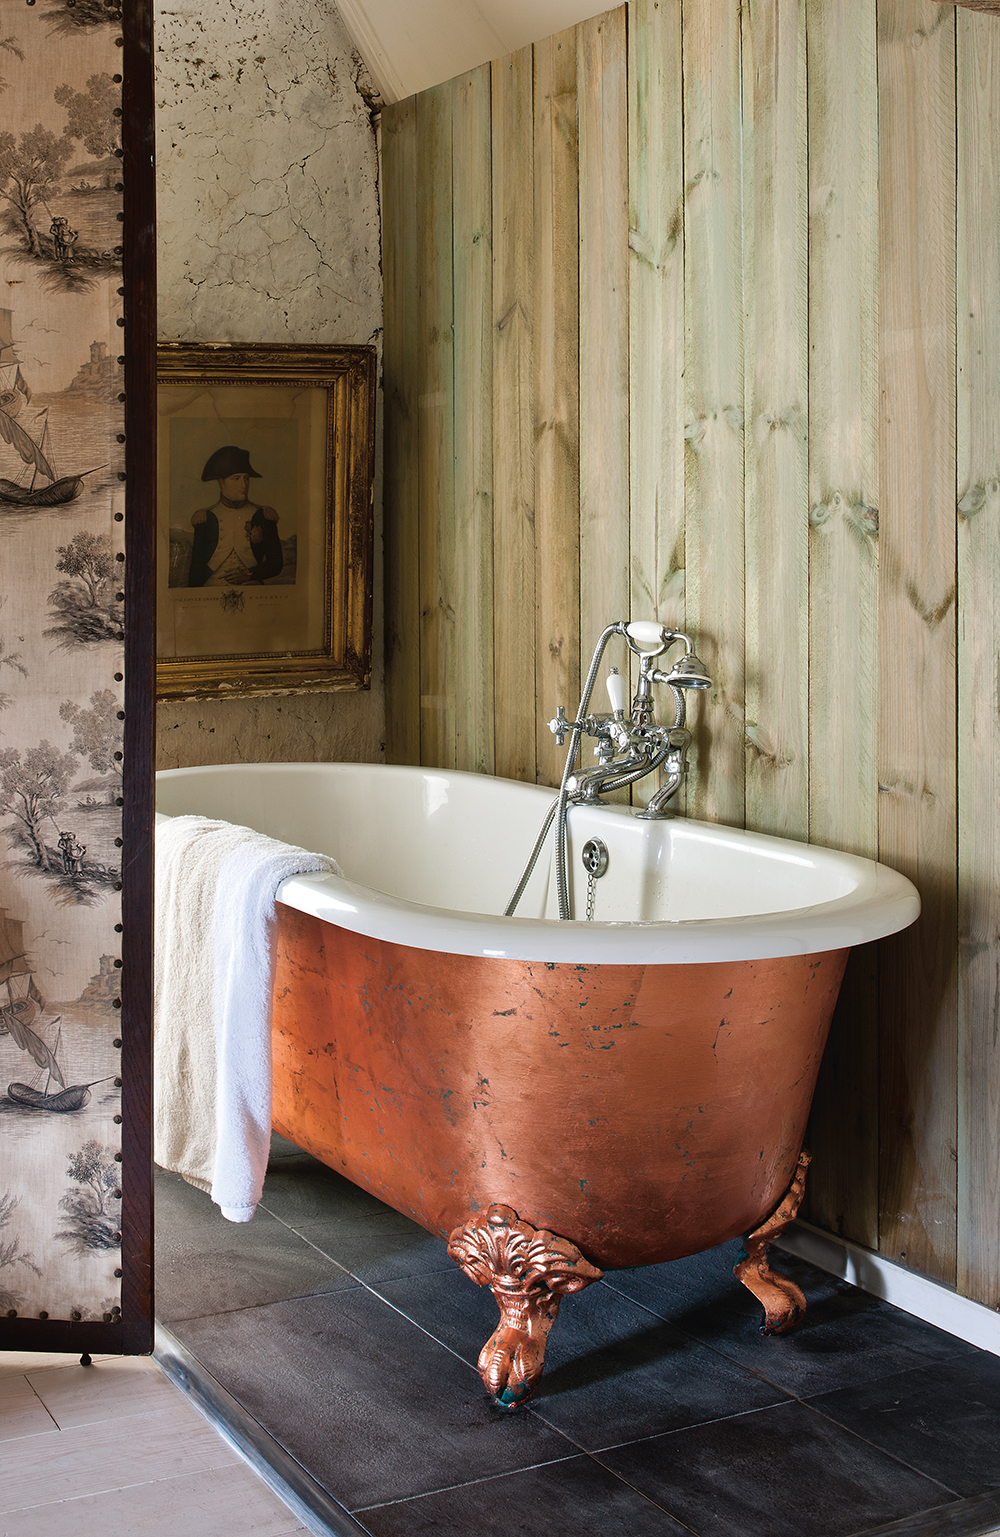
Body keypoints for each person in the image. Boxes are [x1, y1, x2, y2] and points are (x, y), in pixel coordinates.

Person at [185, 446, 284, 587]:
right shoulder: (205, 518)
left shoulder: (263, 516)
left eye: (246, 478)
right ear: (221, 483)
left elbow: (276, 563)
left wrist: (249, 575)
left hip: (251, 586)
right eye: (236, 478)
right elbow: (196, 567)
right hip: (210, 587)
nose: (243, 485)